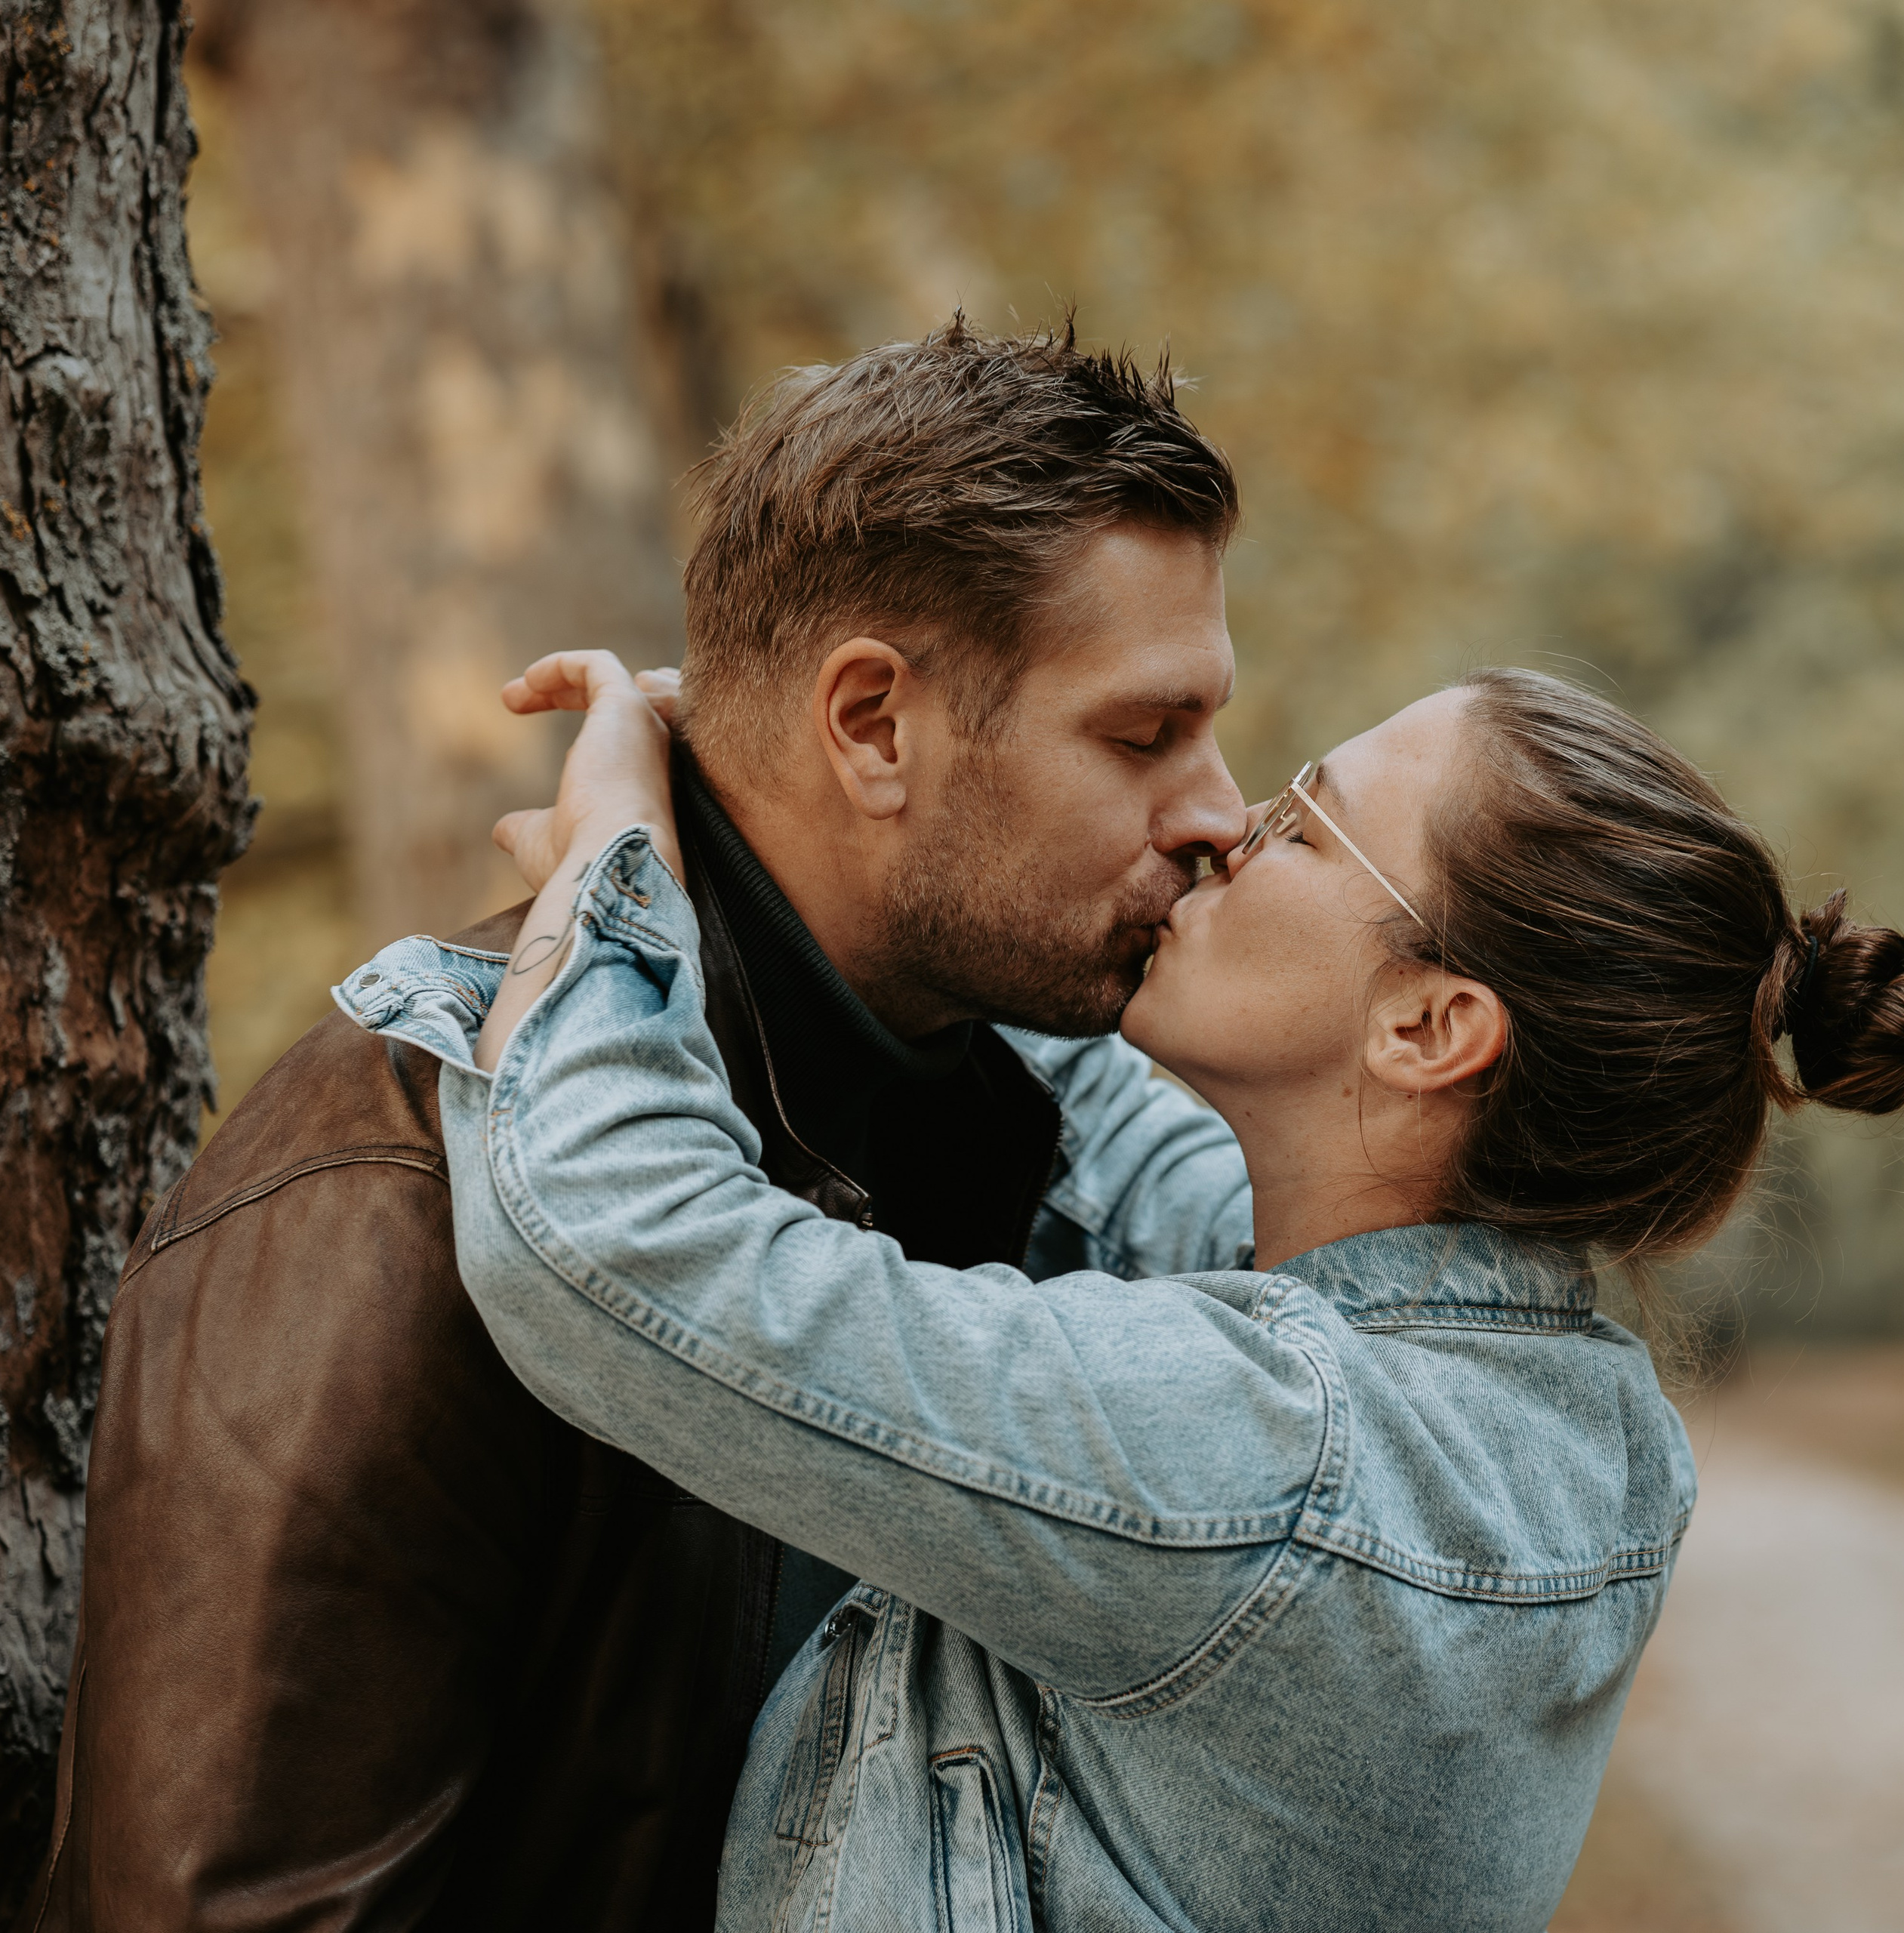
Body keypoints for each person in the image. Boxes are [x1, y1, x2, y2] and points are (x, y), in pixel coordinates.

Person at [340, 652, 1904, 1931]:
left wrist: (617, 853)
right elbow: (1127, 1141)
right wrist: (803, 832)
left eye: (1307, 821)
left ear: (1428, 1028)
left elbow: (616, 1244)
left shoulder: (1273, 1454)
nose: (1221, 829)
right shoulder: (1568, 1426)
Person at [22, 320, 1256, 1931]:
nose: (1221, 810)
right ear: (872, 723)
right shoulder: (391, 1174)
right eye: (1141, 734)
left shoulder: (1009, 1136)